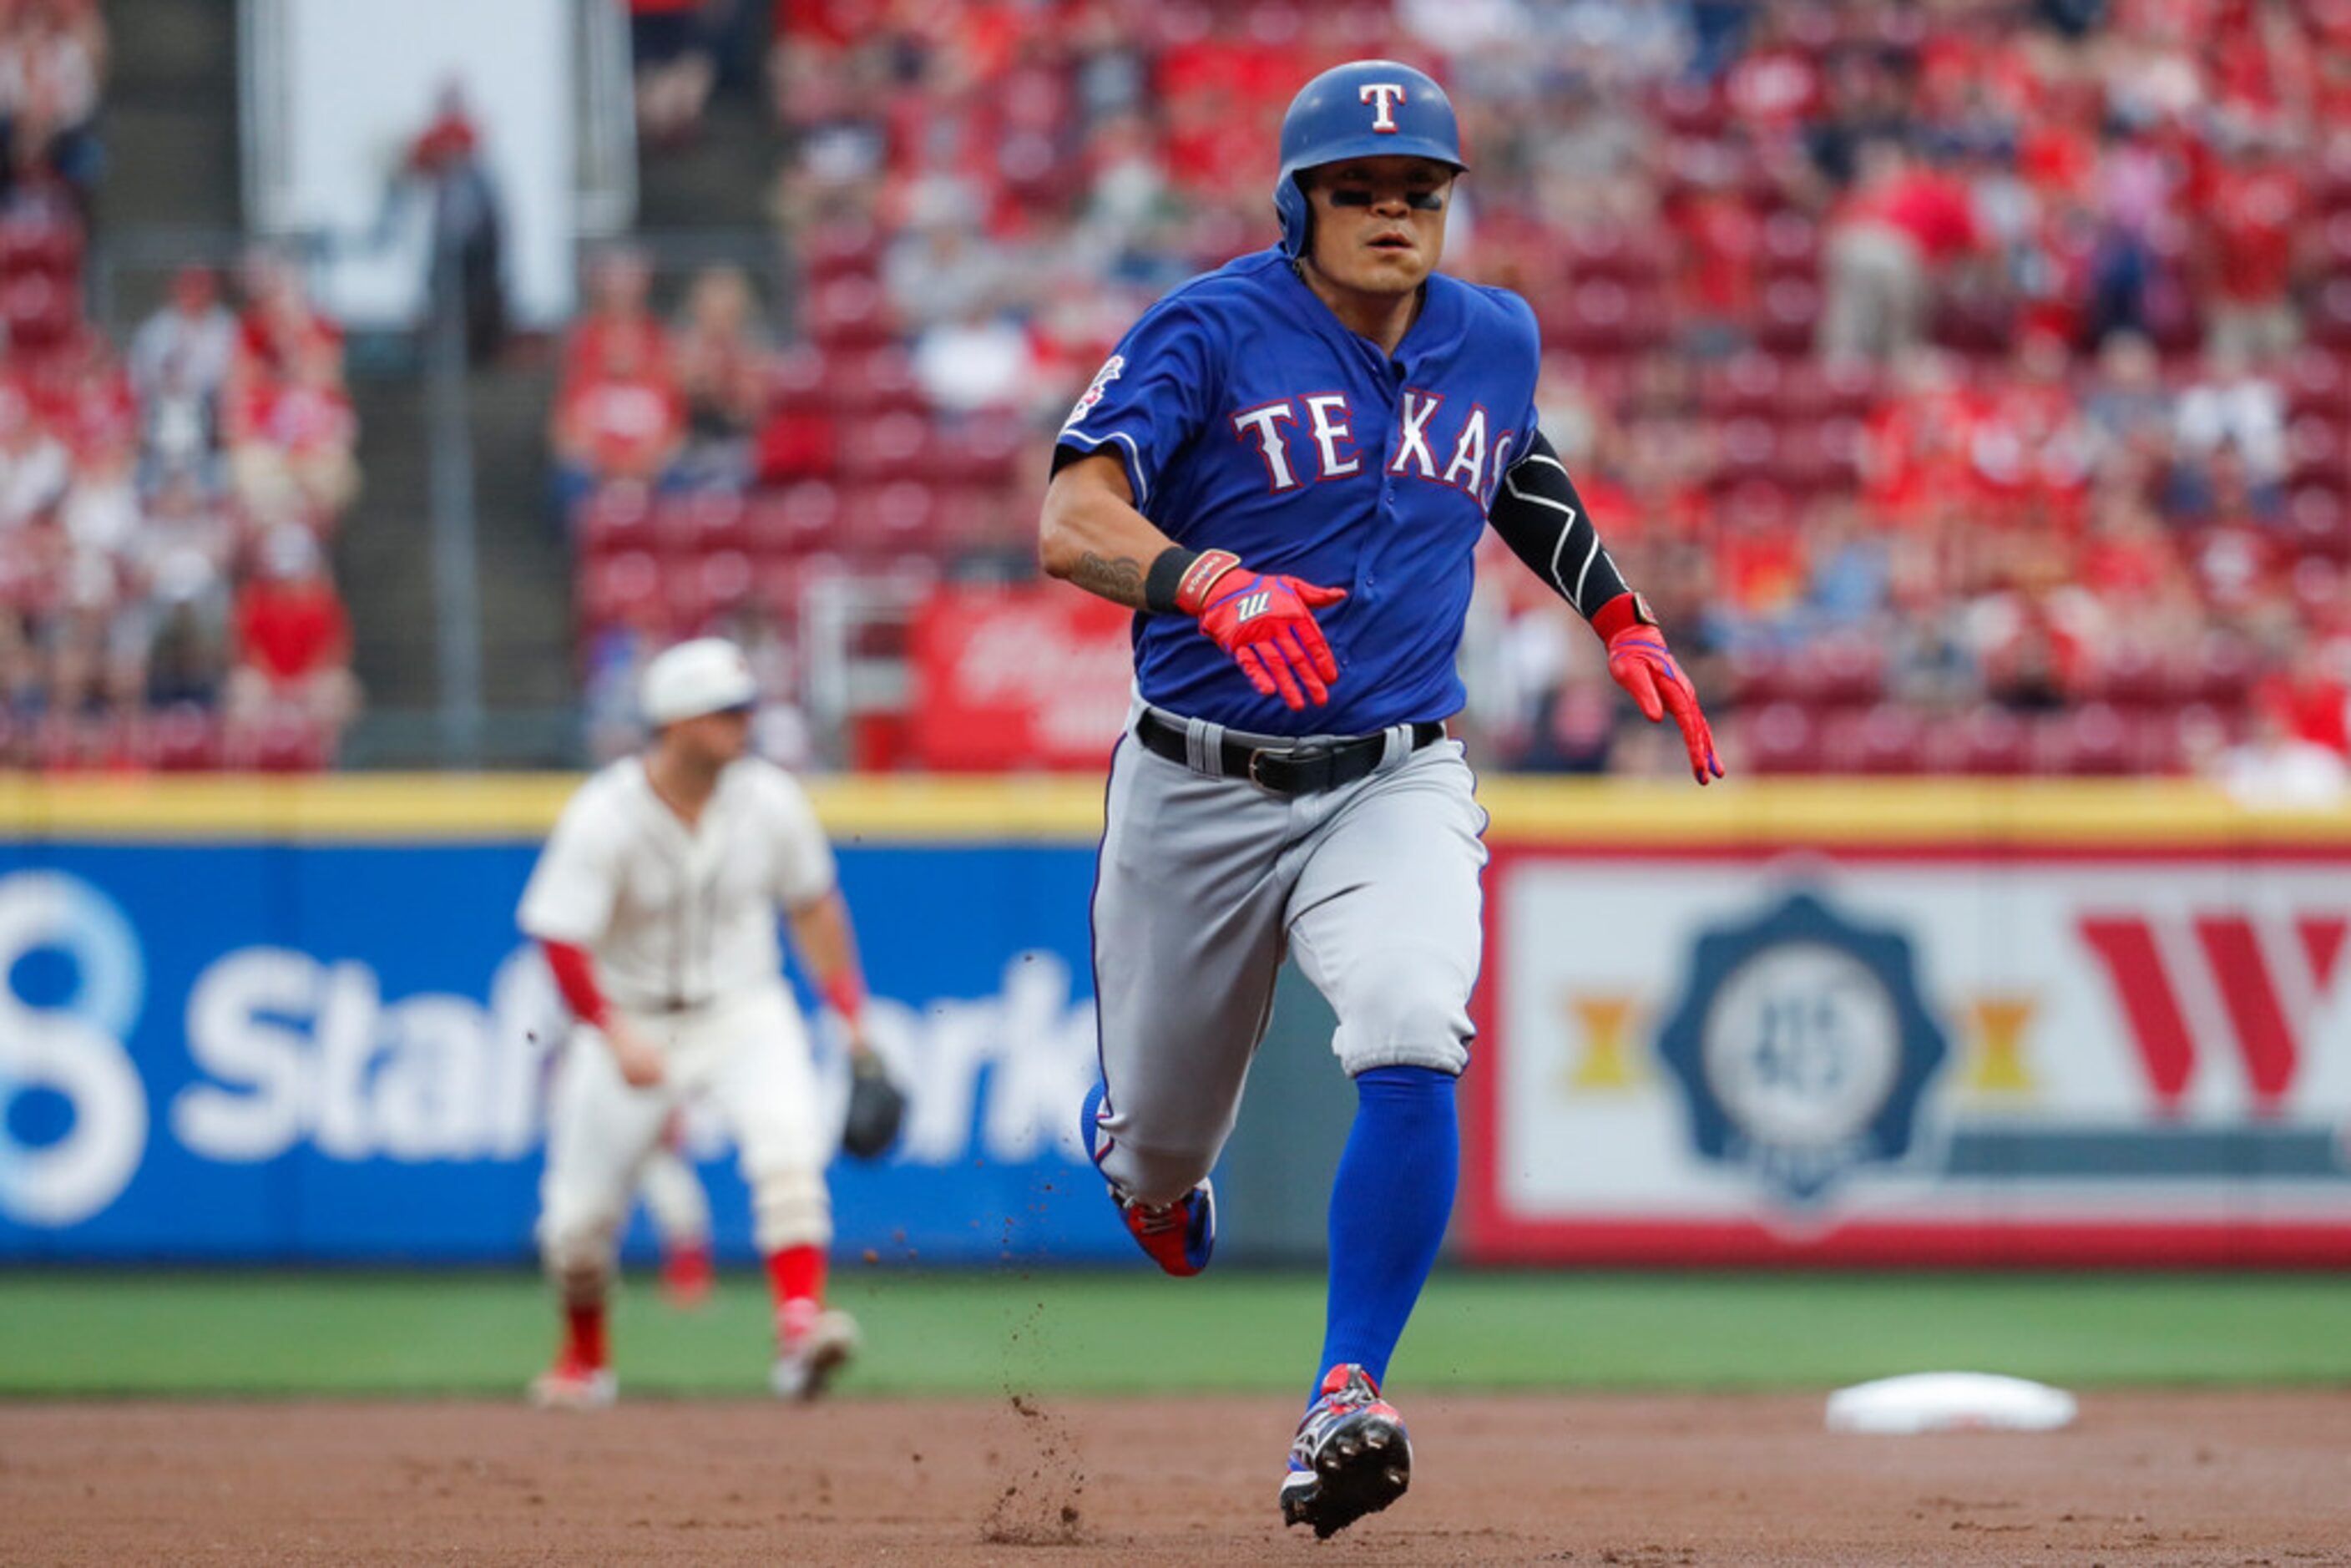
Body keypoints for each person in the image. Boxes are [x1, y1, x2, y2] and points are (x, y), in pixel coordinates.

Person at [1039, 60, 1719, 1539]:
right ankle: (1141, 1155)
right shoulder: (1212, 326)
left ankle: (1347, 1387)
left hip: (1395, 773)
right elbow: (1072, 512)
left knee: (1413, 1024)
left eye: (1421, 189)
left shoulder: (1493, 335)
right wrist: (1200, 574)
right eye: (1361, 188)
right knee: (1160, 1152)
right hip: (1196, 783)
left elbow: (1508, 459)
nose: (1396, 210)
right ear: (1301, 202)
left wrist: (1618, 614)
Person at [518, 636, 876, 1408]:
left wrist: (850, 1014)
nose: (743, 724)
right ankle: (585, 1359)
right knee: (575, 1228)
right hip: (631, 1019)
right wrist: (612, 1031)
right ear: (675, 721)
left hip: (744, 1007)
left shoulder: (771, 798)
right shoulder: (605, 812)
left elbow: (813, 904)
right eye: (725, 711)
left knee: (789, 1153)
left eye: (745, 709)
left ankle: (798, 1330)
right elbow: (559, 936)